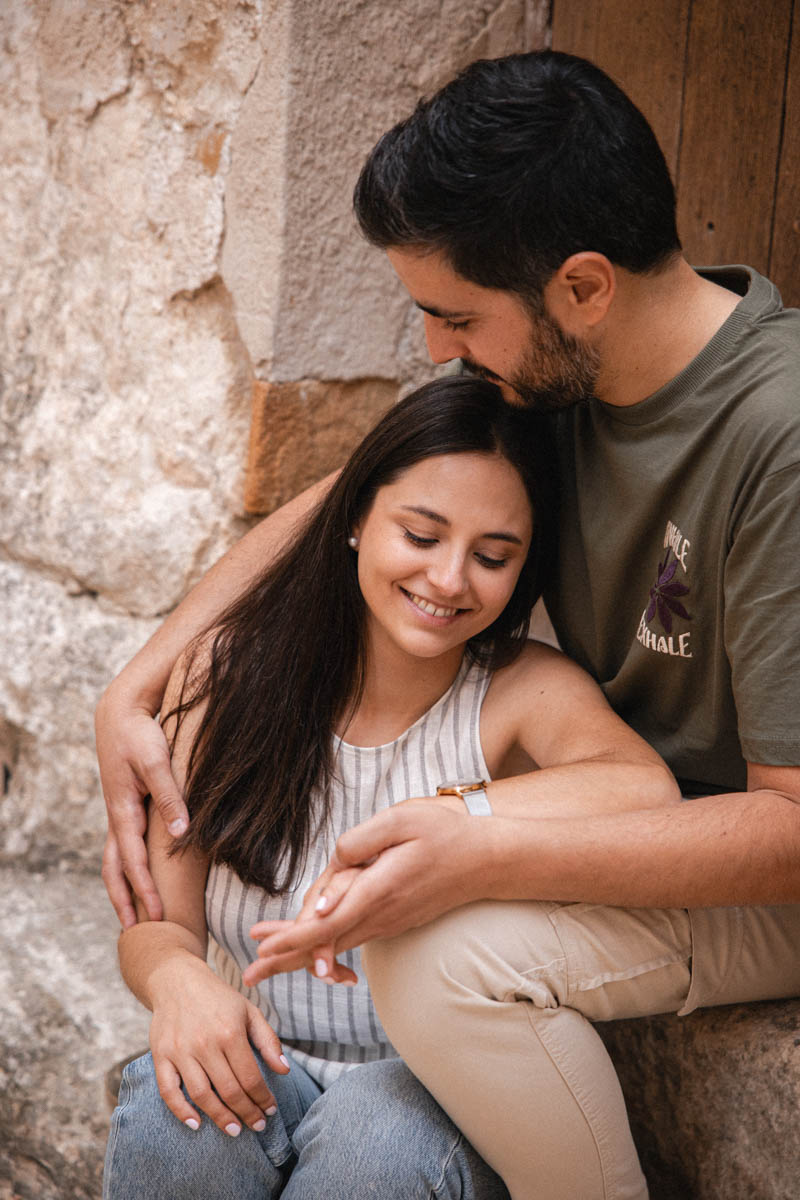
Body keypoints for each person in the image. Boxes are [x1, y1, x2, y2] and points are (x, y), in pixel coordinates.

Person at [95, 50, 800, 1198]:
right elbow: (343, 502)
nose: (432, 350)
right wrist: (137, 685)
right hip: (634, 843)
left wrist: (472, 838)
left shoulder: (778, 432)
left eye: (453, 315)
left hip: (756, 867)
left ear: (579, 287)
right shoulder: (571, 381)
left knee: (435, 959)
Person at [103, 376, 680, 1199]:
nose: (449, 580)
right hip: (255, 1045)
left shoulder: (519, 690)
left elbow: (644, 792)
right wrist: (178, 983)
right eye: (421, 534)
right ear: (352, 520)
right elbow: (155, 921)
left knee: (374, 1143)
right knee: (175, 1123)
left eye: (492, 557)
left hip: (423, 1082)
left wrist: (433, 818)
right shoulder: (223, 674)